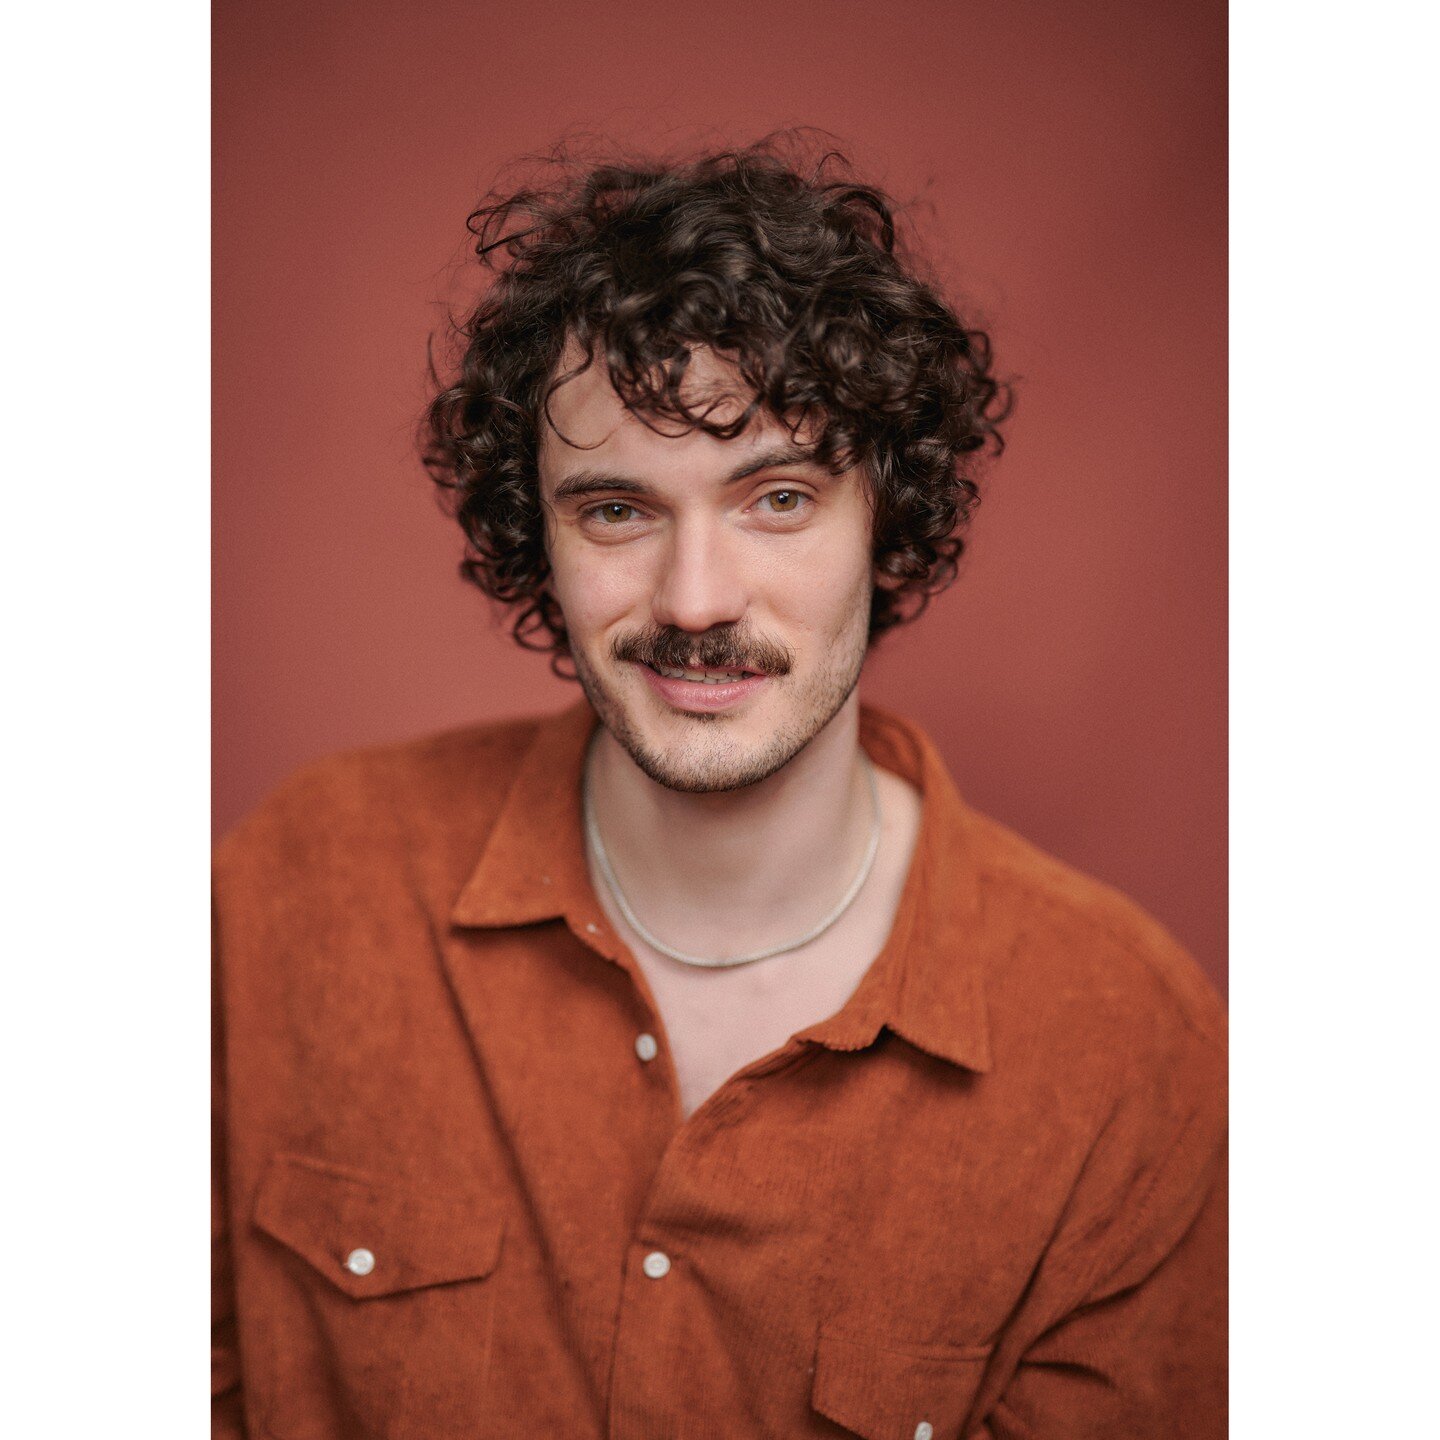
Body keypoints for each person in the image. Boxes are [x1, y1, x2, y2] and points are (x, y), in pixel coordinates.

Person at [212, 140, 1226, 1439]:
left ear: (889, 519)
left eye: (780, 497)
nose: (695, 600)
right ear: (540, 532)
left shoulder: (1131, 1055)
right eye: (618, 511)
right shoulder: (302, 882)